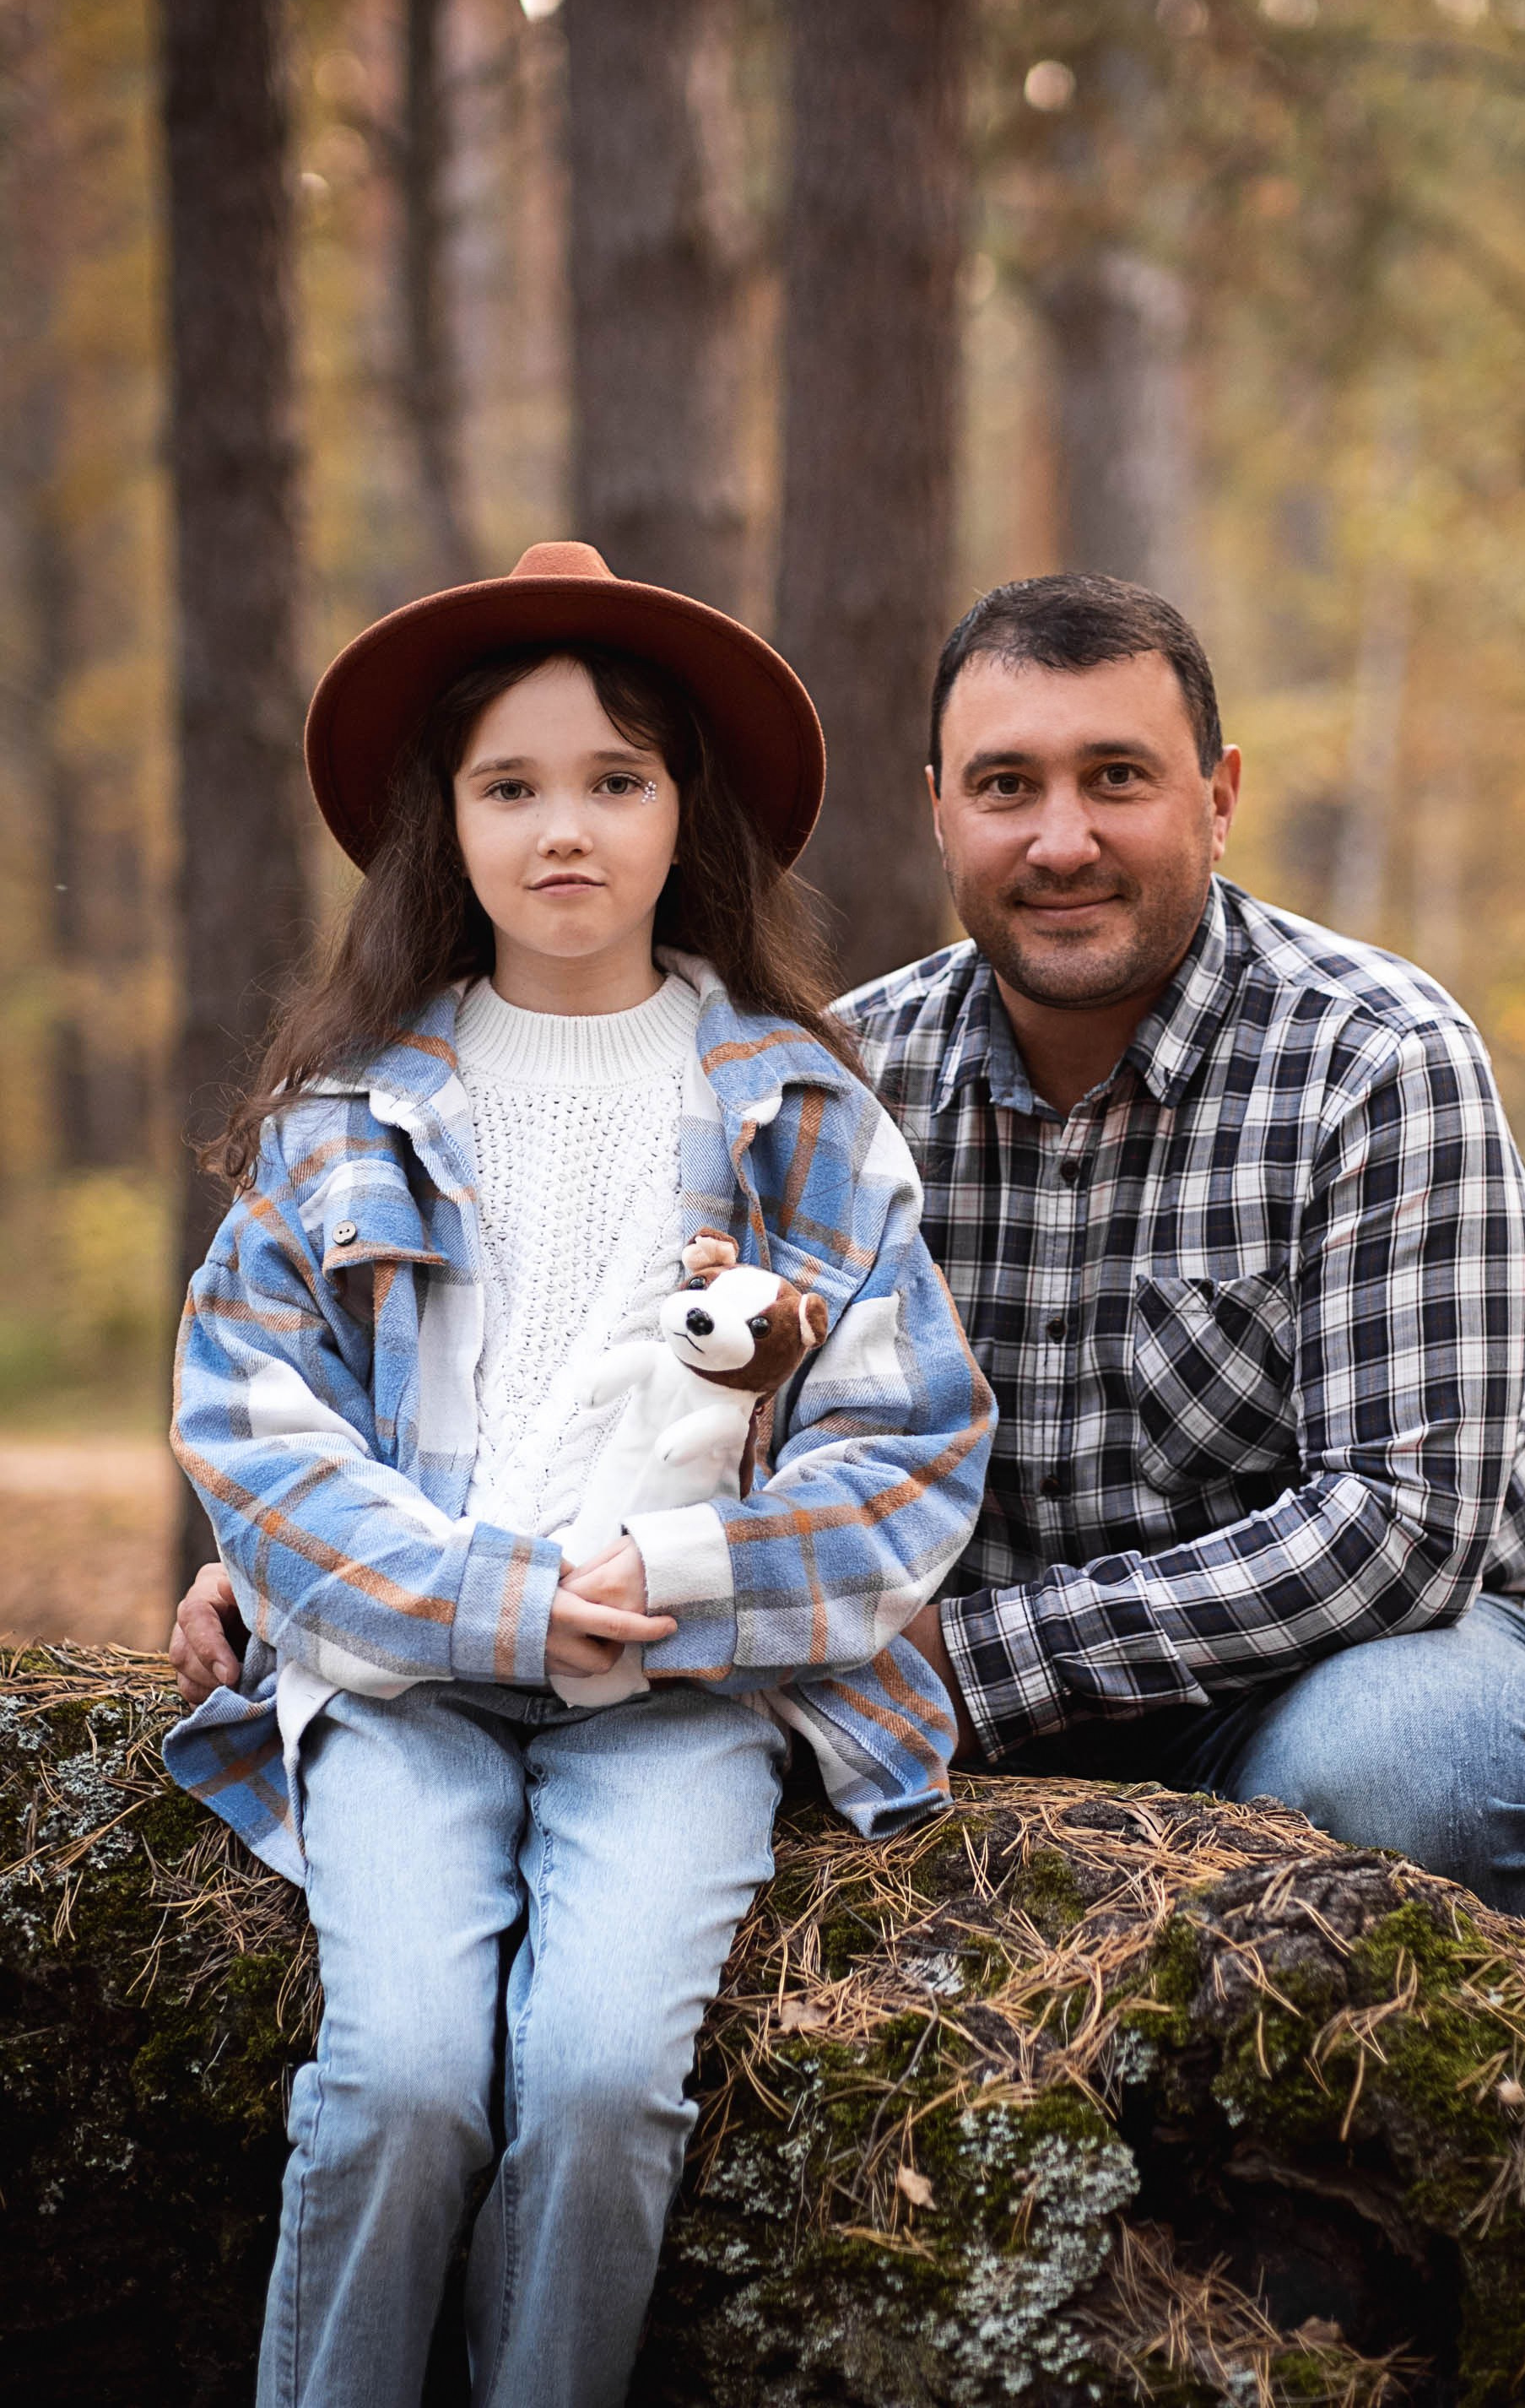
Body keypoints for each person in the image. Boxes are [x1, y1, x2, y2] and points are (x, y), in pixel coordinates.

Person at [163, 539, 992, 2408]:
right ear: (435, 823)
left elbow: (903, 1456)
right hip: (409, 1697)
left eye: (615, 780)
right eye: (509, 785)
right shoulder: (346, 1113)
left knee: (609, 2078)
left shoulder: (797, 1113)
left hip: (678, 1704)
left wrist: (671, 1575)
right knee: (401, 2080)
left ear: (683, 811)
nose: (564, 830)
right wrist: (494, 1600)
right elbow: (253, 1431)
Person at [843, 572, 1525, 1930]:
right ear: (938, 807)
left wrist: (983, 1658)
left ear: (1220, 795)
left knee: (1409, 1776)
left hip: (1347, 1664)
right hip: (955, 1691)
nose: (1061, 841)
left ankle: (1520, 2126)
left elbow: (1402, 1529)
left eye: (1116, 776)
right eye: (1007, 786)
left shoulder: (1378, 1059)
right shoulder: (845, 1084)